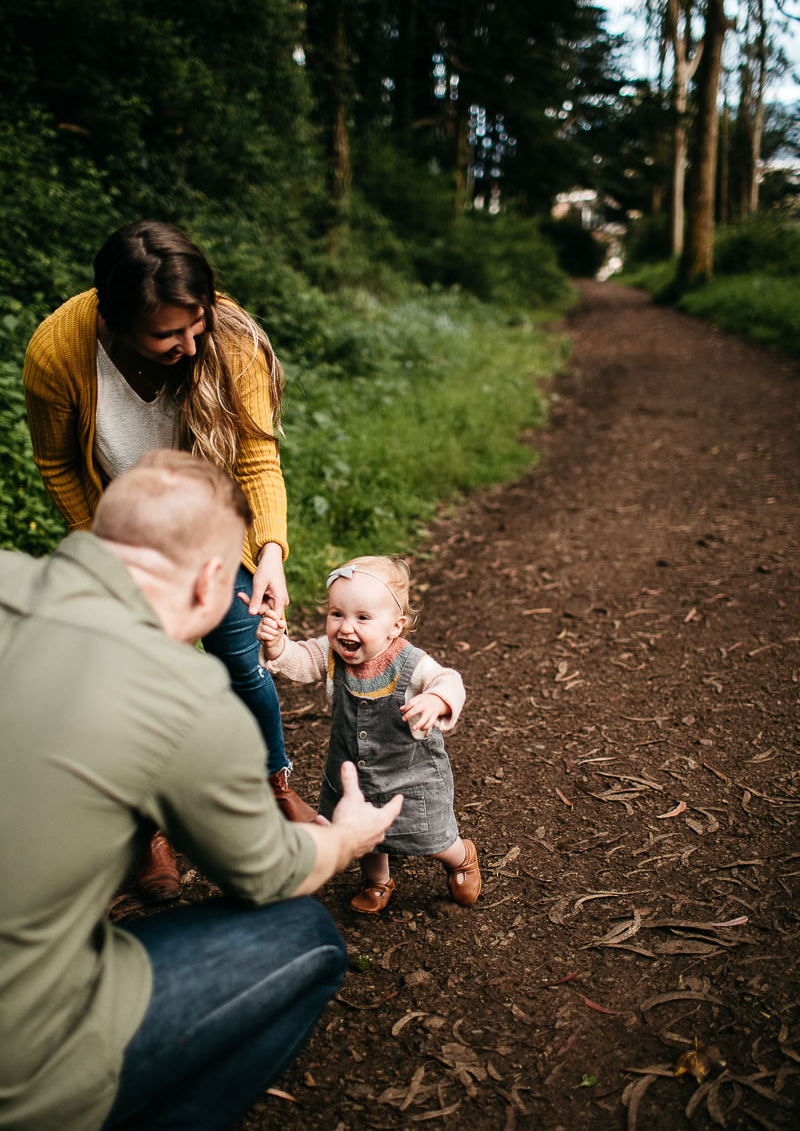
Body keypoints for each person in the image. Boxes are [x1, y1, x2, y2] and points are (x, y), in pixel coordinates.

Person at [0, 450, 402, 1131]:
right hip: (19, 1067)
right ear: (213, 579)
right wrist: (345, 837)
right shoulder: (182, 693)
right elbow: (269, 873)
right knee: (308, 936)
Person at [23, 220, 314, 900]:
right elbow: (58, 463)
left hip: (216, 530)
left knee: (241, 662)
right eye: (167, 335)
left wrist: (271, 552)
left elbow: (256, 455)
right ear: (117, 319)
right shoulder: (57, 353)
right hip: (129, 540)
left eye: (196, 323)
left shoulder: (229, 337)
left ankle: (272, 784)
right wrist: (107, 554)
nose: (190, 345)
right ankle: (149, 828)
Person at [256, 555, 481, 914]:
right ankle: (378, 881)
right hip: (352, 770)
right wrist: (277, 645)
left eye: (362, 618)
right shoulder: (332, 654)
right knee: (363, 831)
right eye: (337, 614)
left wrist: (437, 699)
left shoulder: (411, 662)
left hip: (409, 773)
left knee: (429, 832)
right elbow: (301, 660)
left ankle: (459, 856)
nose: (346, 628)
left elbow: (448, 679)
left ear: (395, 626)